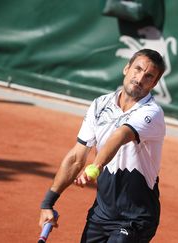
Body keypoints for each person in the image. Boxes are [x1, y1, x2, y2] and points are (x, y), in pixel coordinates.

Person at [39, 49, 166, 242]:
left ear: (154, 83)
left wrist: (95, 166)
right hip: (102, 213)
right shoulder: (100, 105)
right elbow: (76, 158)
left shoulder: (152, 112)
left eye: (148, 76)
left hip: (136, 217)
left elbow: (121, 135)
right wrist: (48, 203)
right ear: (126, 68)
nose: (140, 78)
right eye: (137, 69)